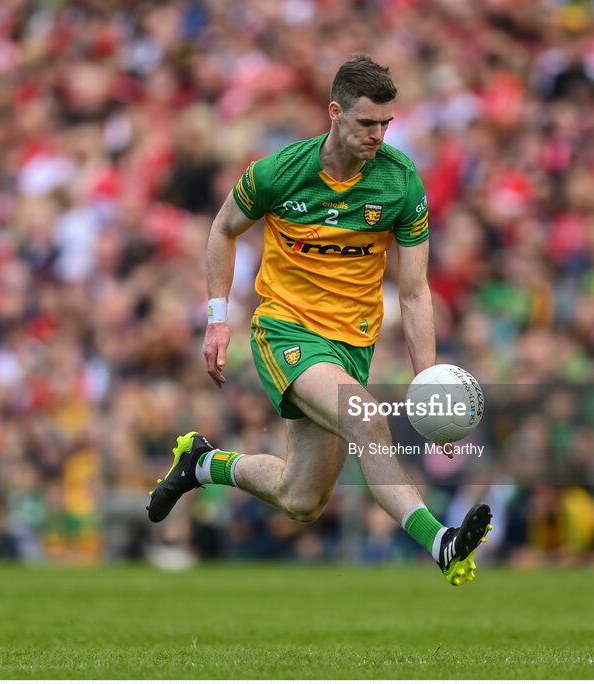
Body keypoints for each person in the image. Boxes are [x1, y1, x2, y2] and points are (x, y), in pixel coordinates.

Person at [146, 55, 492, 586]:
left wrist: (431, 387)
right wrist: (217, 318)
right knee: (367, 417)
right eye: (366, 123)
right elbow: (222, 229)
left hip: (351, 344)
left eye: (385, 124)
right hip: (285, 329)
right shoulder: (279, 172)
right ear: (335, 112)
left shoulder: (400, 183)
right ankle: (441, 542)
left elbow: (417, 292)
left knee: (301, 498)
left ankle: (201, 463)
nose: (378, 135)